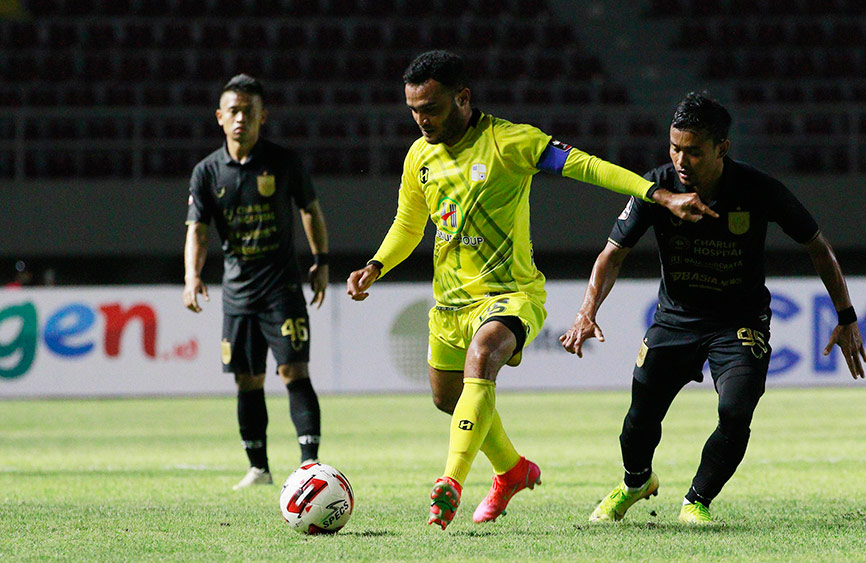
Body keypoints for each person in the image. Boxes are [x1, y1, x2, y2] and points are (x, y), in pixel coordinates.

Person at [346, 50, 686, 529]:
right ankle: (510, 470)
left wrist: (656, 192)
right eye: (414, 110)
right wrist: (375, 266)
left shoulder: (511, 142)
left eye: (432, 108)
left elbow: (585, 166)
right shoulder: (419, 156)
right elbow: (409, 223)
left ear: (463, 98)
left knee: (482, 359)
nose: (422, 120)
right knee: (448, 399)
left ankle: (450, 483)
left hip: (511, 294)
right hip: (449, 306)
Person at [560, 92, 866, 525]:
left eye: (693, 151)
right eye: (674, 147)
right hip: (675, 320)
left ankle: (696, 500)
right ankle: (635, 482)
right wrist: (586, 311)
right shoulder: (657, 187)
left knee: (736, 410)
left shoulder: (758, 190)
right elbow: (612, 253)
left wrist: (846, 316)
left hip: (739, 323)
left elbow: (817, 246)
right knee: (639, 418)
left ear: (722, 149)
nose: (681, 160)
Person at [183, 74, 330, 490]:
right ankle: (259, 468)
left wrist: (320, 261)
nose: (240, 118)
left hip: (282, 289)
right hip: (238, 295)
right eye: (233, 111)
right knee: (247, 378)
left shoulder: (283, 162)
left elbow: (310, 210)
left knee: (293, 370)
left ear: (263, 116)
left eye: (249, 111)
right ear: (219, 117)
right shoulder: (207, 172)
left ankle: (309, 465)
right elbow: (197, 229)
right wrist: (192, 276)